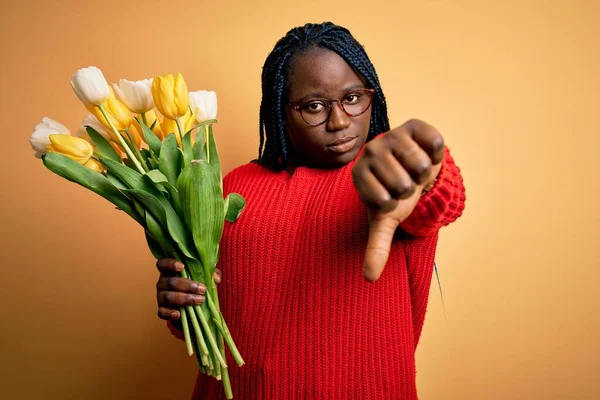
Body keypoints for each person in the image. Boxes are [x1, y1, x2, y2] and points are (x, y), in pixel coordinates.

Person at [155, 21, 466, 399]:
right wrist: (182, 303)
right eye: (314, 106)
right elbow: (217, 320)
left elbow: (438, 198)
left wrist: (428, 172)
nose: (339, 122)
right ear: (280, 110)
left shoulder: (388, 177)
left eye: (353, 98)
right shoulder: (229, 189)